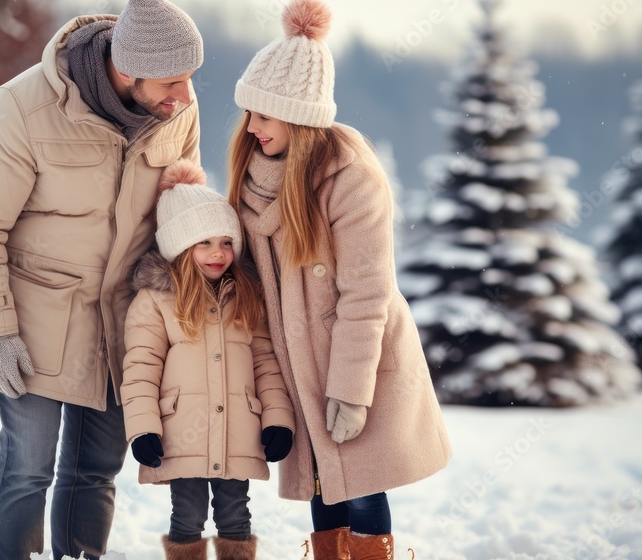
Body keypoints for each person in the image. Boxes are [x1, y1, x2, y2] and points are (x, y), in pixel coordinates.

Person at [0, 0, 203, 557]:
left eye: (190, 81)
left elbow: (180, 214)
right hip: (37, 318)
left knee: (96, 471)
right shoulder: (23, 106)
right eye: (173, 81)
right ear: (127, 68)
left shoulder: (175, 112)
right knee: (28, 466)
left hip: (121, 319)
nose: (184, 96)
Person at [226, 1, 453, 558]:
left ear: (297, 117)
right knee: (324, 480)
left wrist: (351, 391)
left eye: (263, 115)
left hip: (357, 357)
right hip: (294, 357)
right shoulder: (252, 174)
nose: (251, 127)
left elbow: (366, 293)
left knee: (361, 480)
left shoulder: (351, 178)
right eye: (248, 113)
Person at [120, 159, 296, 560]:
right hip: (180, 437)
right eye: (204, 243)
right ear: (180, 246)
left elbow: (267, 364)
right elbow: (141, 368)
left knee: (236, 513)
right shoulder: (156, 301)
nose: (218, 253)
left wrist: (278, 419)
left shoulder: (246, 296)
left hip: (238, 433)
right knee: (187, 513)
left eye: (226, 241)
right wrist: (142, 428)